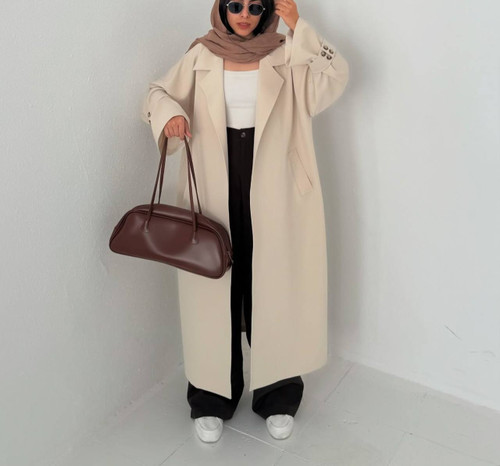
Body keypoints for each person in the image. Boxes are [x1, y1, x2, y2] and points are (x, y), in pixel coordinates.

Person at [141, 0, 349, 443]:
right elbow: (156, 92)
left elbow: (335, 77)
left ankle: (278, 396)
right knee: (213, 284)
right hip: (215, 181)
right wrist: (171, 114)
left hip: (276, 185)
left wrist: (299, 27)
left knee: (274, 286)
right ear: (221, 8)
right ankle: (210, 398)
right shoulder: (201, 54)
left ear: (268, 11)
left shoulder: (287, 52)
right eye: (235, 4)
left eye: (256, 6)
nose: (244, 14)